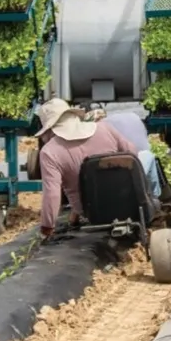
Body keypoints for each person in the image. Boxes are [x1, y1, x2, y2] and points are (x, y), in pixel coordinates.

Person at [37, 98, 137, 237]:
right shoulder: (104, 128)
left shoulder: (49, 152)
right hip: (126, 200)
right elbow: (132, 154)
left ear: (49, 128)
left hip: (90, 213)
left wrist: (47, 227)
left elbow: (52, 194)